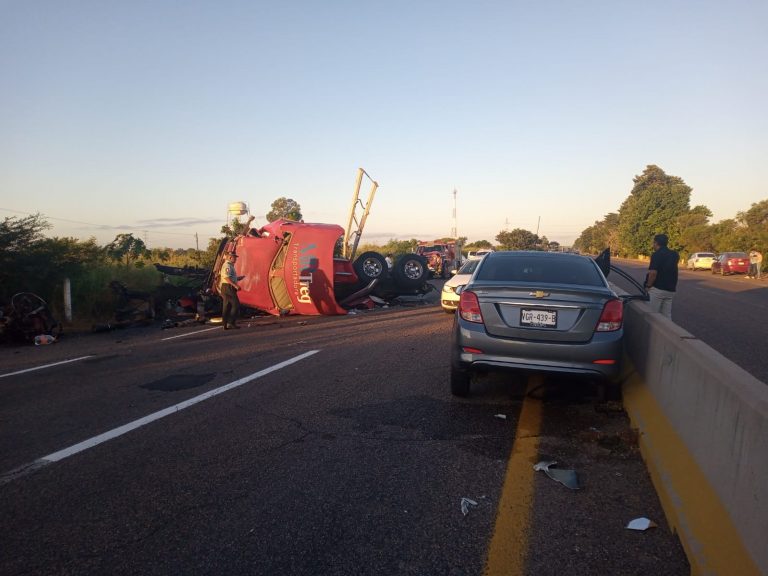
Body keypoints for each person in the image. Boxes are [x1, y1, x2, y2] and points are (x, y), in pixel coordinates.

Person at [645, 234, 679, 319]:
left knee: (651, 315)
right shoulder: (675, 254)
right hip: (671, 290)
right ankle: (668, 331)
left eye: (653, 243)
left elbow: (653, 273)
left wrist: (648, 286)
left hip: (658, 289)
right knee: (666, 317)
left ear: (656, 243)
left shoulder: (656, 254)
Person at [219, 252, 241, 329]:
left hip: (226, 287)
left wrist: (237, 279)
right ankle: (230, 322)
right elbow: (226, 278)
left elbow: (230, 277)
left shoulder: (230, 266)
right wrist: (235, 285)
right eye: (234, 257)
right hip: (228, 287)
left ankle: (225, 324)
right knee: (236, 304)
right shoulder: (227, 266)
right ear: (230, 257)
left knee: (227, 306)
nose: (235, 259)